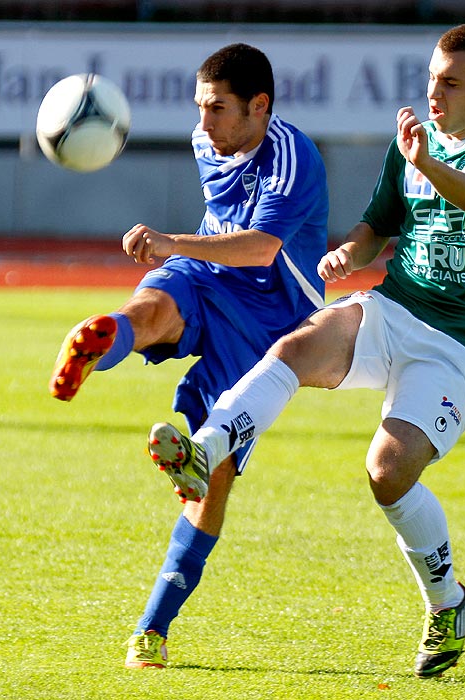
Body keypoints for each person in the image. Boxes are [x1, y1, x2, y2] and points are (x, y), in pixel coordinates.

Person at [146, 23, 465, 678]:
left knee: (386, 471)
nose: (434, 93)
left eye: (451, 82)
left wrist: (426, 163)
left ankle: (448, 603)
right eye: (431, 79)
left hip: (457, 346)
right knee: (297, 346)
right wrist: (349, 254)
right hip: (393, 309)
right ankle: (204, 451)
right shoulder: (410, 147)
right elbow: (379, 222)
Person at [48, 43, 329, 669]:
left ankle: (154, 624)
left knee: (211, 479)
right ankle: (101, 339)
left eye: (217, 110)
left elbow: (259, 250)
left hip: (268, 316)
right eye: (199, 108)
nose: (203, 125)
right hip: (204, 275)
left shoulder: (293, 157)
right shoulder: (212, 140)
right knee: (149, 311)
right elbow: (220, 229)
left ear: (259, 107)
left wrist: (173, 240)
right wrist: (178, 254)